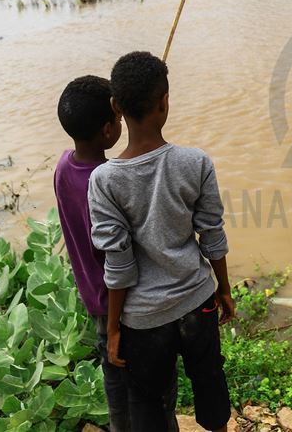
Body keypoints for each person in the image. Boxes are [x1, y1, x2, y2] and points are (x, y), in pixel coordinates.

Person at [89, 51, 235, 432]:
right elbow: (212, 233)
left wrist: (115, 326)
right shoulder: (196, 162)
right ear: (165, 101)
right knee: (209, 381)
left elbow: (118, 263)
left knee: (149, 403)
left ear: (116, 107)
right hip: (197, 302)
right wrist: (223, 287)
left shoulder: (104, 180)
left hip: (144, 320)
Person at [53, 75, 132, 431]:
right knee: (142, 383)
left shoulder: (63, 166)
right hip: (120, 301)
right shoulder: (107, 182)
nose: (121, 123)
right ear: (107, 130)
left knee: (114, 377)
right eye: (118, 119)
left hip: (95, 298)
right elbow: (118, 256)